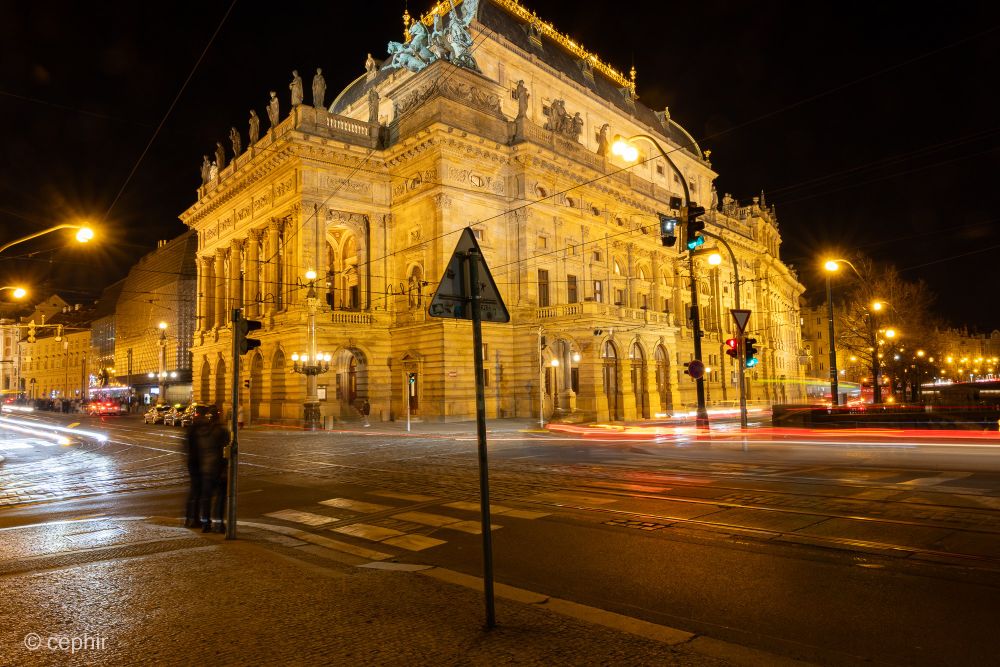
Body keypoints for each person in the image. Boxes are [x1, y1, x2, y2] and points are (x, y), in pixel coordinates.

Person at [186, 407, 230, 533]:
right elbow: (225, 451)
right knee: (220, 497)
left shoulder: (202, 432)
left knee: (206, 498)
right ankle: (219, 524)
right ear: (218, 416)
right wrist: (224, 469)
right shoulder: (222, 431)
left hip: (205, 469)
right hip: (218, 468)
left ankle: (206, 524)